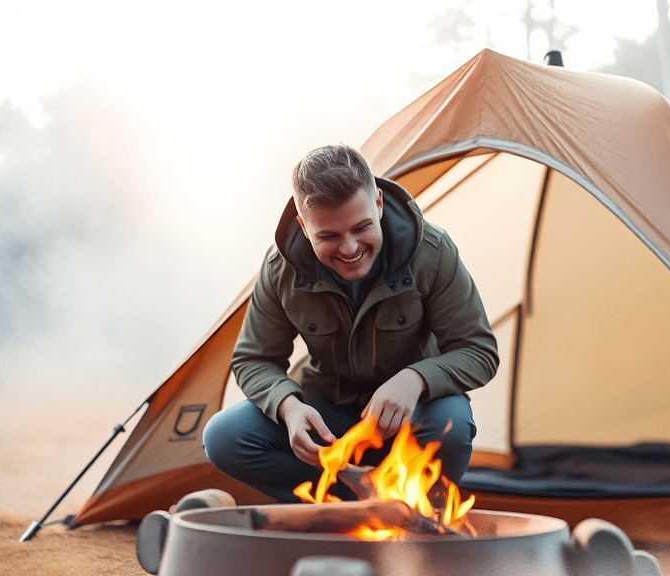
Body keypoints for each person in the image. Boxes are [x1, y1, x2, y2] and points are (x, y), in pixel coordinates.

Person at [203, 144, 498, 503]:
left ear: (378, 203)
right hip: (329, 423)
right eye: (328, 236)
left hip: (410, 420)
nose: (349, 248)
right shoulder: (280, 268)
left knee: (452, 426)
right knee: (224, 436)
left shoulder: (433, 252)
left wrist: (416, 379)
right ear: (303, 224)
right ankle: (355, 504)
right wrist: (289, 408)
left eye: (361, 228)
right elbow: (253, 360)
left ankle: (416, 512)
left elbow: (479, 351)